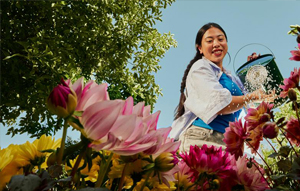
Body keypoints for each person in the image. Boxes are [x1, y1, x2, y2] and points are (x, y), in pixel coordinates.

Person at [169, 22, 275, 152]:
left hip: (227, 142)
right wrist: (251, 97)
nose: (216, 43)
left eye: (221, 39)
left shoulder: (230, 78)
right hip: (203, 137)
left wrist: (253, 69)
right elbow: (221, 105)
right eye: (209, 40)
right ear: (200, 48)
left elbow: (256, 100)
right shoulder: (200, 68)